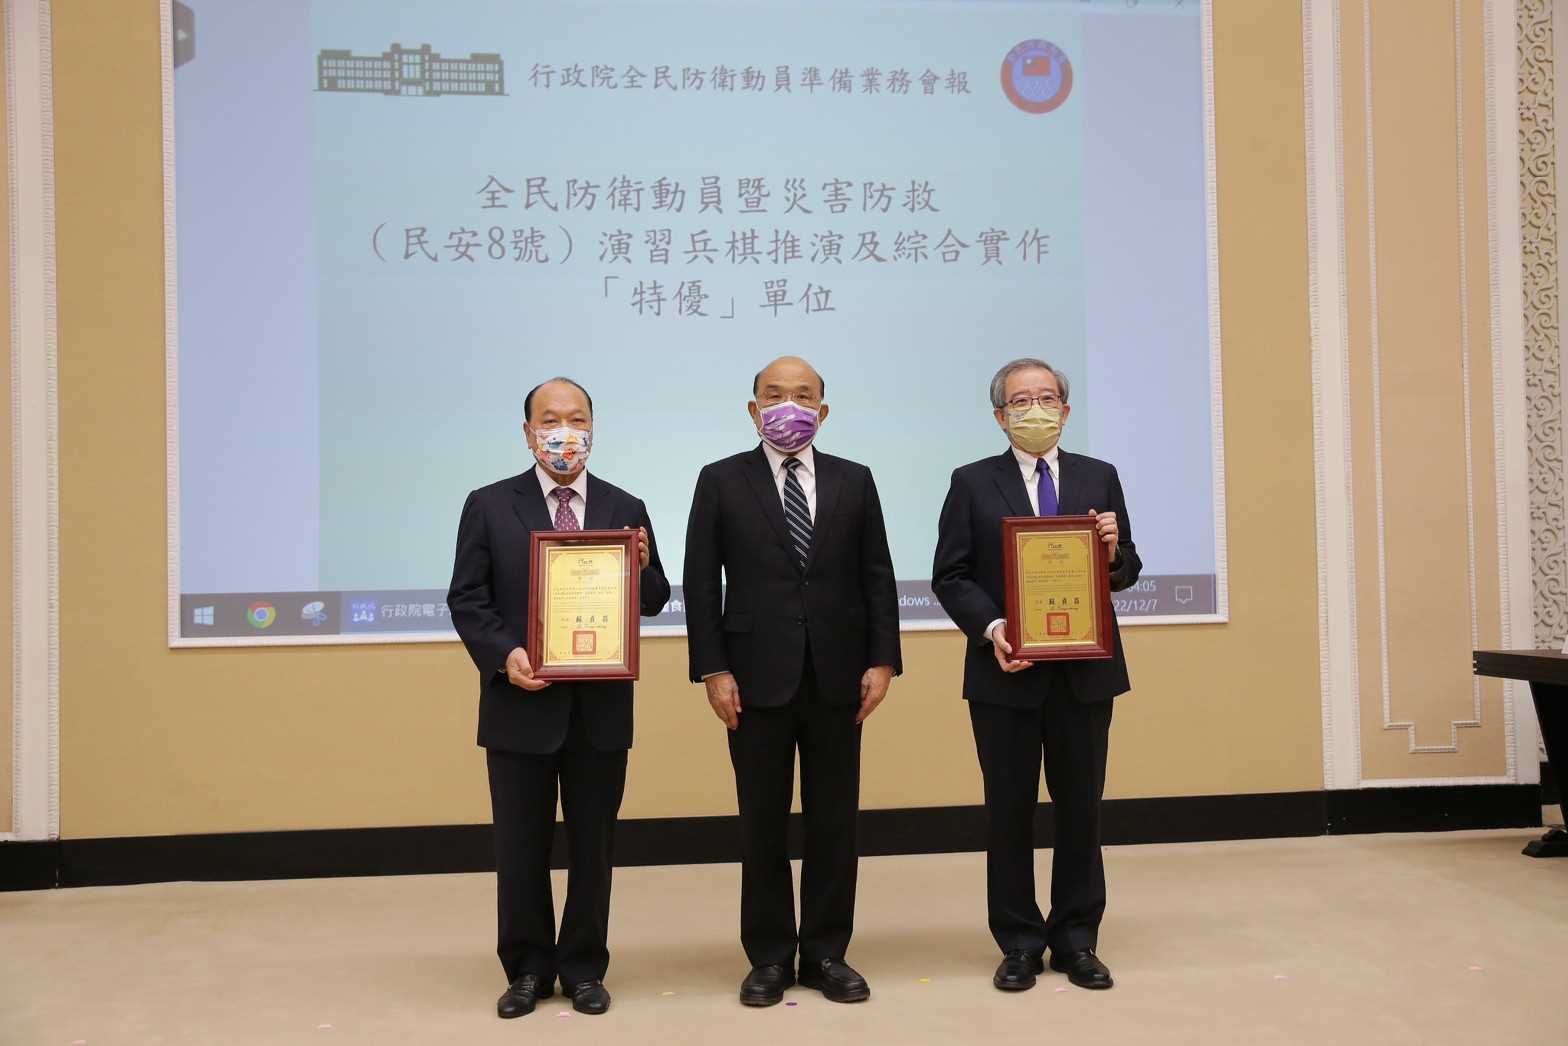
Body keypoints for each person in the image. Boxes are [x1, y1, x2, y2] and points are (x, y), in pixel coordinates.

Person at [447, 377, 670, 1019]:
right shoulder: (489, 504)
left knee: (593, 848)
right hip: (519, 705)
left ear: (594, 429)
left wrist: (646, 565)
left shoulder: (624, 503)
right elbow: (468, 598)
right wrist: (505, 655)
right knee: (520, 849)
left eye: (576, 419)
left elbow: (652, 599)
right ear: (528, 432)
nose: (564, 431)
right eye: (550, 419)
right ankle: (526, 969)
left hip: (599, 712)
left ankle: (583, 968)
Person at [684, 356, 901, 1007]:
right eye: (774, 394)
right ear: (753, 409)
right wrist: (713, 667)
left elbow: (877, 577)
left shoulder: (855, 480)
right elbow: (701, 583)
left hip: (839, 676)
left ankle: (828, 951)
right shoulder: (721, 480)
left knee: (836, 821)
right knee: (763, 824)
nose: (788, 404)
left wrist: (883, 658)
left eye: (802, 395)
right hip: (753, 679)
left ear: (823, 411)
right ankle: (771, 956)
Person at [931, 357, 1141, 993]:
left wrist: (1110, 551)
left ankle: (1078, 939)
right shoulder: (971, 482)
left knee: (1082, 809)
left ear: (1067, 409)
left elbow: (1124, 570)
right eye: (1020, 401)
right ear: (1000, 416)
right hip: (1006, 674)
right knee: (1009, 812)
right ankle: (1019, 940)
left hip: (1085, 676)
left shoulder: (1099, 477)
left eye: (1047, 397)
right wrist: (996, 630)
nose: (1035, 409)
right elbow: (952, 575)